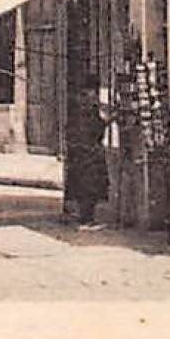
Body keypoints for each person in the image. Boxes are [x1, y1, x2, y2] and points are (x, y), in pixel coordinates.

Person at [68, 78, 110, 227]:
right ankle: (86, 218)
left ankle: (85, 216)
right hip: (89, 150)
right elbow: (94, 128)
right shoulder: (89, 109)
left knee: (88, 185)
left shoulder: (83, 107)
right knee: (89, 185)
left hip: (84, 150)